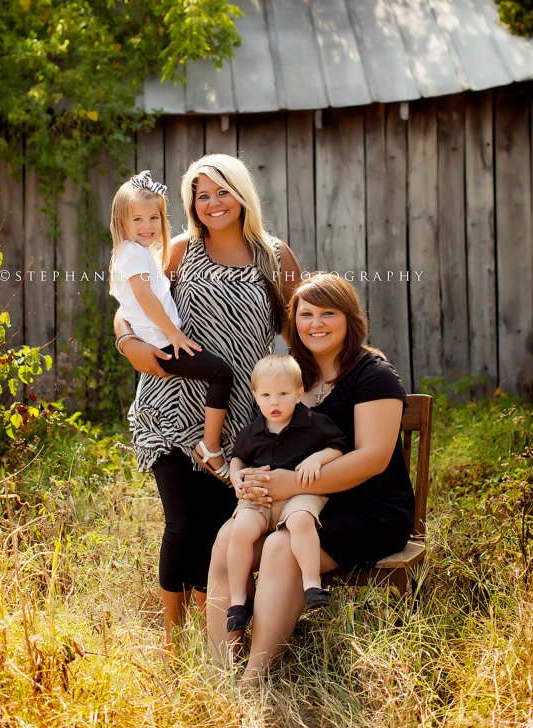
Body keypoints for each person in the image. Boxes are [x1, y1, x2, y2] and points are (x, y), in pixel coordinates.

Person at [113, 154, 301, 645]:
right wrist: (126, 342)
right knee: (183, 521)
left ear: (242, 195)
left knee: (220, 531)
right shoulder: (178, 251)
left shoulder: (274, 258)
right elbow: (131, 306)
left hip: (236, 417)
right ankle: (172, 639)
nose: (213, 203)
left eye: (222, 191)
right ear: (191, 204)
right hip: (169, 407)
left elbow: (301, 332)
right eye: (202, 195)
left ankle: (212, 633)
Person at [207, 272, 415, 676]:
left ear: (349, 318)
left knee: (279, 548)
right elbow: (258, 442)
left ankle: (254, 677)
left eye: (328, 313)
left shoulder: (372, 374)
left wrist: (289, 484)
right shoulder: (291, 376)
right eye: (306, 314)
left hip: (369, 508)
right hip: (295, 503)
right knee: (228, 537)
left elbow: (373, 458)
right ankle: (220, 668)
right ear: (293, 322)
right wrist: (248, 480)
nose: (315, 324)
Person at [110, 169, 234, 481]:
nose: (147, 226)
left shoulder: (135, 253)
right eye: (137, 219)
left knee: (214, 373)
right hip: (163, 345)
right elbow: (143, 297)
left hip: (160, 339)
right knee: (221, 373)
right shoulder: (134, 255)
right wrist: (173, 333)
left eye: (154, 218)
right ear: (121, 221)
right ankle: (210, 447)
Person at [227, 354, 347, 632]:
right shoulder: (251, 431)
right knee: (241, 530)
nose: (275, 402)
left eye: (283, 393)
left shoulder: (314, 422)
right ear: (255, 396)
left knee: (300, 521)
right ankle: (237, 602)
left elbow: (338, 446)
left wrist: (317, 459)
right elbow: (238, 458)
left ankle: (311, 585)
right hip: (260, 498)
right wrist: (236, 477)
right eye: (266, 395)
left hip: (300, 491)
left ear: (299, 393)